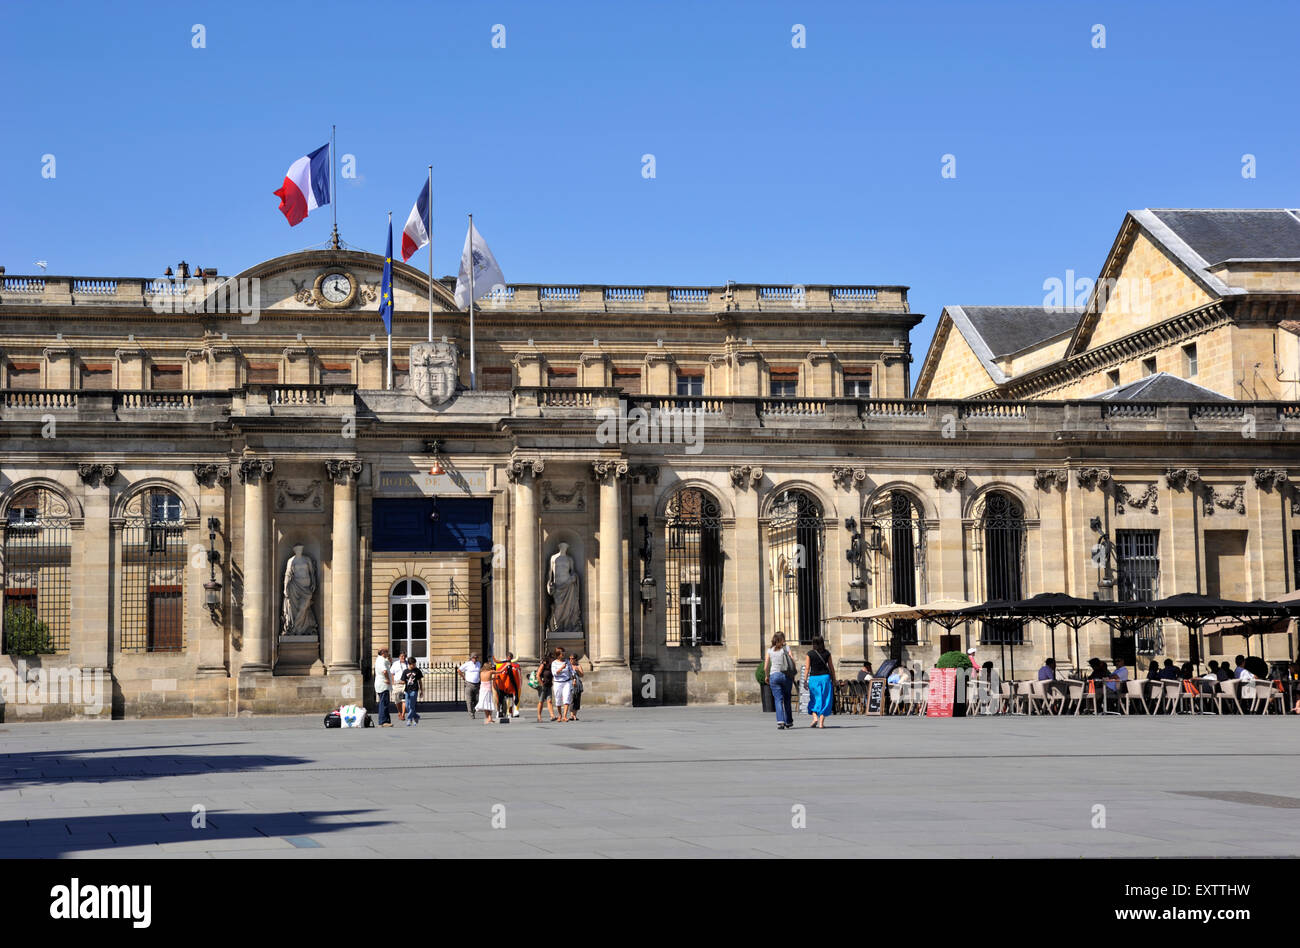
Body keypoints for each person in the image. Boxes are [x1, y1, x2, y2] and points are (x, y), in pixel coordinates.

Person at [763, 632, 796, 729]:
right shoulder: (786, 648)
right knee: (787, 699)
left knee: (778, 699)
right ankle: (789, 721)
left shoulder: (770, 650)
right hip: (786, 675)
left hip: (774, 675)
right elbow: (792, 661)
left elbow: (765, 667)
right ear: (783, 639)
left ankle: (780, 721)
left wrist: (766, 676)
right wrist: (793, 673)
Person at [804, 636, 835, 728]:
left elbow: (807, 668)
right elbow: (831, 667)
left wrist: (805, 680)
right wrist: (834, 679)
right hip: (825, 678)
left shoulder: (810, 654)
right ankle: (821, 722)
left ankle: (815, 718)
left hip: (814, 678)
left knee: (814, 698)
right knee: (825, 699)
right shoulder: (827, 653)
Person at [493, 654, 519, 724]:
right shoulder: (503, 664)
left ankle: (511, 712)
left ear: (511, 658)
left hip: (510, 683)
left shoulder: (514, 665)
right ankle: (499, 711)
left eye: (510, 657)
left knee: (512, 697)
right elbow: (498, 666)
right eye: (508, 657)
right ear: (506, 657)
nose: (508, 658)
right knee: (500, 698)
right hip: (502, 684)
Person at [551, 648, 574, 721]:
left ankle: (564, 716)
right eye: (562, 654)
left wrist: (574, 679)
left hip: (567, 682)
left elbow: (571, 671)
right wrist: (561, 668)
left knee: (566, 698)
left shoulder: (567, 662)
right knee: (558, 699)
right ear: (558, 655)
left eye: (564, 653)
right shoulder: (554, 663)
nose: (564, 655)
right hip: (558, 683)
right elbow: (554, 673)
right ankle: (560, 715)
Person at [457, 654, 482, 719]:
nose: (475, 659)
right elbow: (459, 670)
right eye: (474, 658)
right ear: (471, 658)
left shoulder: (479, 664)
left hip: (477, 684)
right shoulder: (467, 664)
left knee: (478, 699)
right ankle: (471, 713)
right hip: (469, 684)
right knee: (469, 700)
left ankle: (473, 710)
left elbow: (480, 672)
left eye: (476, 658)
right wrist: (463, 677)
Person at [475, 654, 497, 724]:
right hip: (488, 690)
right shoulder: (490, 672)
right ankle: (489, 718)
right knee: (489, 703)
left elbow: (486, 680)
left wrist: (494, 678)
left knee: (485, 704)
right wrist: (506, 665)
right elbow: (500, 671)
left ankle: (489, 718)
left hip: (482, 690)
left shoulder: (481, 673)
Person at [373, 648, 393, 727]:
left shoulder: (381, 660)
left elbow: (388, 665)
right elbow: (384, 671)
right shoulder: (381, 660)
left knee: (385, 702)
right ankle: (383, 721)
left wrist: (389, 661)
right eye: (387, 652)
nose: (388, 653)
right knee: (383, 703)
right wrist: (387, 679)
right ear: (383, 653)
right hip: (383, 684)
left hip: (382, 684)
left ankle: (386, 721)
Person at [402, 660, 423, 726]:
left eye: (415, 664)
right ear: (409, 664)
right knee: (407, 705)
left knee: (412, 705)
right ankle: (416, 716)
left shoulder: (417, 671)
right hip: (407, 690)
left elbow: (420, 681)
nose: (414, 665)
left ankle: (409, 719)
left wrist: (421, 690)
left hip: (414, 689)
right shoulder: (405, 671)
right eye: (413, 664)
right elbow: (403, 680)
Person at [536, 654, 556, 722]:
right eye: (552, 659)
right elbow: (538, 675)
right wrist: (542, 684)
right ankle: (539, 716)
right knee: (541, 701)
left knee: (549, 701)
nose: (553, 660)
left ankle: (552, 716)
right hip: (543, 686)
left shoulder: (551, 666)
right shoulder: (543, 665)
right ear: (549, 659)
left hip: (549, 685)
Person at [391, 651, 408, 721]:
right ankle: (399, 712)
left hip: (405, 684)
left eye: (404, 656)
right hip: (397, 684)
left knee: (404, 700)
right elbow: (392, 673)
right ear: (399, 657)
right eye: (401, 656)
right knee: (397, 700)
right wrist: (393, 682)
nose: (403, 657)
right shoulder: (395, 664)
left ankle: (403, 714)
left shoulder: (408, 664)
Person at [569, 654, 584, 720]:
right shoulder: (568, 666)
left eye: (572, 658)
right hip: (570, 684)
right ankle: (571, 715)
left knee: (577, 700)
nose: (571, 660)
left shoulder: (578, 666)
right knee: (571, 699)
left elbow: (582, 675)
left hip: (577, 685)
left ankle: (575, 715)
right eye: (570, 658)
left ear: (575, 659)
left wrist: (577, 670)